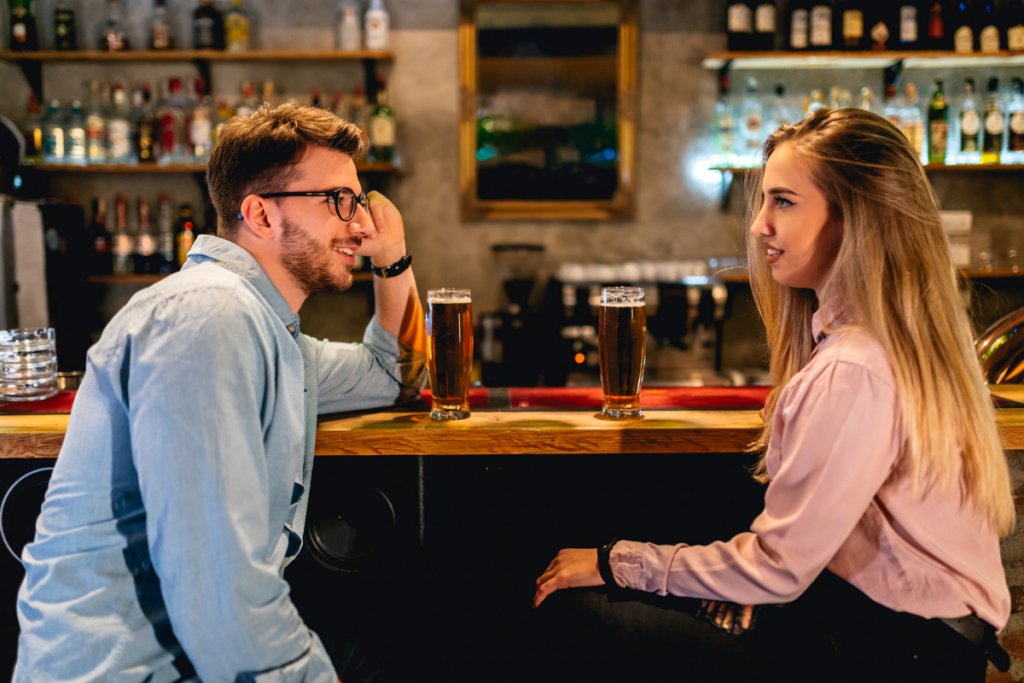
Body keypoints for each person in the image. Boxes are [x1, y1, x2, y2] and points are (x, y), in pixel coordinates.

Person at [533, 108, 1015, 683]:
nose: (760, 225)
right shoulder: (888, 346)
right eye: (764, 202)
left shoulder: (854, 368)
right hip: (914, 640)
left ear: (855, 219)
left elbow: (778, 569)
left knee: (579, 614)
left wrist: (616, 560)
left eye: (783, 202)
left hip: (893, 652)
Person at [14, 104, 427, 682]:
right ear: (259, 213)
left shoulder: (272, 335)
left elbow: (395, 376)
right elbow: (216, 581)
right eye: (339, 200)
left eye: (358, 201)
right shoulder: (209, 316)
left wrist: (393, 256)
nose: (361, 224)